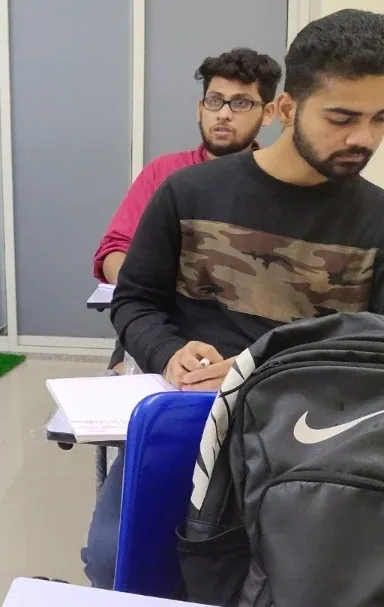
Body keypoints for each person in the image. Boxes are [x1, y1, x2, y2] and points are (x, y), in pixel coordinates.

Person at [82, 9, 384, 590]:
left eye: (379, 119)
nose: (363, 139)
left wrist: (261, 374)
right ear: (287, 110)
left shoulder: (377, 221)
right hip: (191, 420)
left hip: (311, 439)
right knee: (112, 560)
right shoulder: (188, 192)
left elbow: (374, 351)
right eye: (342, 117)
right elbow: (135, 302)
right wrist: (169, 353)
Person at [94, 47, 282, 287]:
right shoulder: (164, 172)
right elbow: (116, 248)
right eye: (214, 101)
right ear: (200, 109)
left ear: (267, 114)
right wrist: (138, 291)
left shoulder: (277, 179)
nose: (223, 113)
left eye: (241, 103)